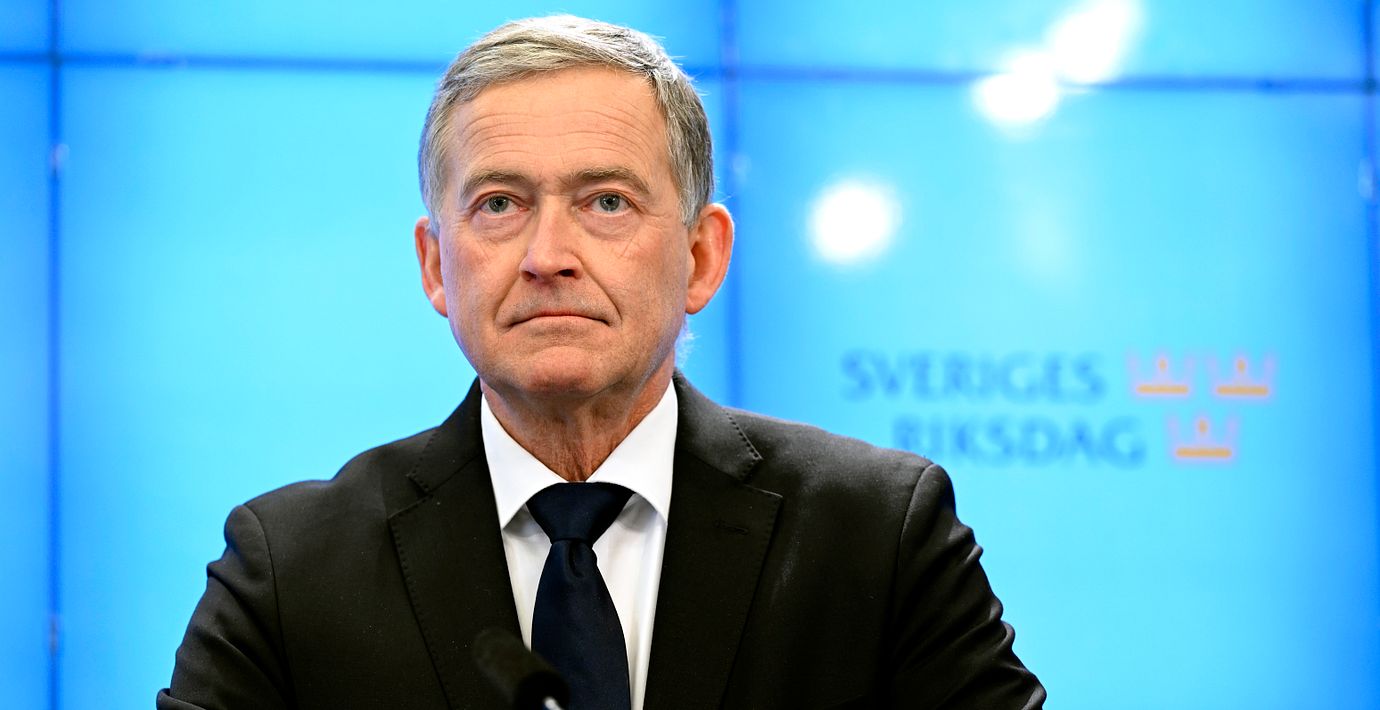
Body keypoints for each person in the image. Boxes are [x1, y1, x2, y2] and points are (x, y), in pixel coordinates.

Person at [158, 15, 1044, 710]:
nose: (548, 256)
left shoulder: (877, 538)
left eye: (606, 202)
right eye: (499, 203)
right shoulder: (291, 571)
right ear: (435, 266)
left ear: (700, 256)